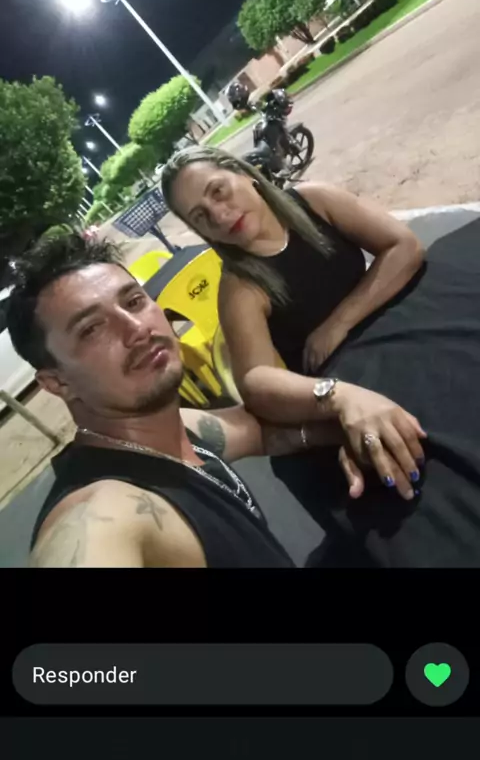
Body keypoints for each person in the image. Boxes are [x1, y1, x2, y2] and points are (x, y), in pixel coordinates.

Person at [7, 234, 419, 569]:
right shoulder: (100, 511)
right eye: (92, 329)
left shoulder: (175, 428)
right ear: (56, 382)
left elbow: (269, 432)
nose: (136, 329)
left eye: (133, 301)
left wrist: (349, 413)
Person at [160, 147, 480, 567]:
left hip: (399, 329)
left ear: (244, 173)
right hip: (351, 380)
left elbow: (402, 245)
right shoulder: (240, 286)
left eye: (218, 191)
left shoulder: (315, 202)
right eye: (201, 216)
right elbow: (255, 381)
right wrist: (335, 396)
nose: (220, 215)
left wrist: (338, 323)